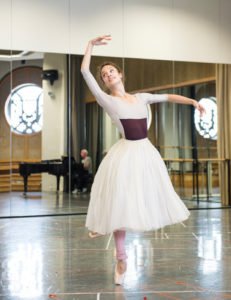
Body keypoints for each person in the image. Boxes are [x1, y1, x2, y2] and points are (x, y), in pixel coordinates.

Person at [81, 35, 205, 285]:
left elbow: (169, 97)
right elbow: (85, 71)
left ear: (120, 73)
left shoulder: (141, 97)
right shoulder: (108, 100)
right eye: (104, 74)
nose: (108, 75)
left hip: (145, 152)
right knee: (120, 202)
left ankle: (108, 230)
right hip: (125, 154)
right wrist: (91, 46)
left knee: (137, 199)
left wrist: (192, 101)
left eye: (111, 71)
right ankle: (121, 257)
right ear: (104, 82)